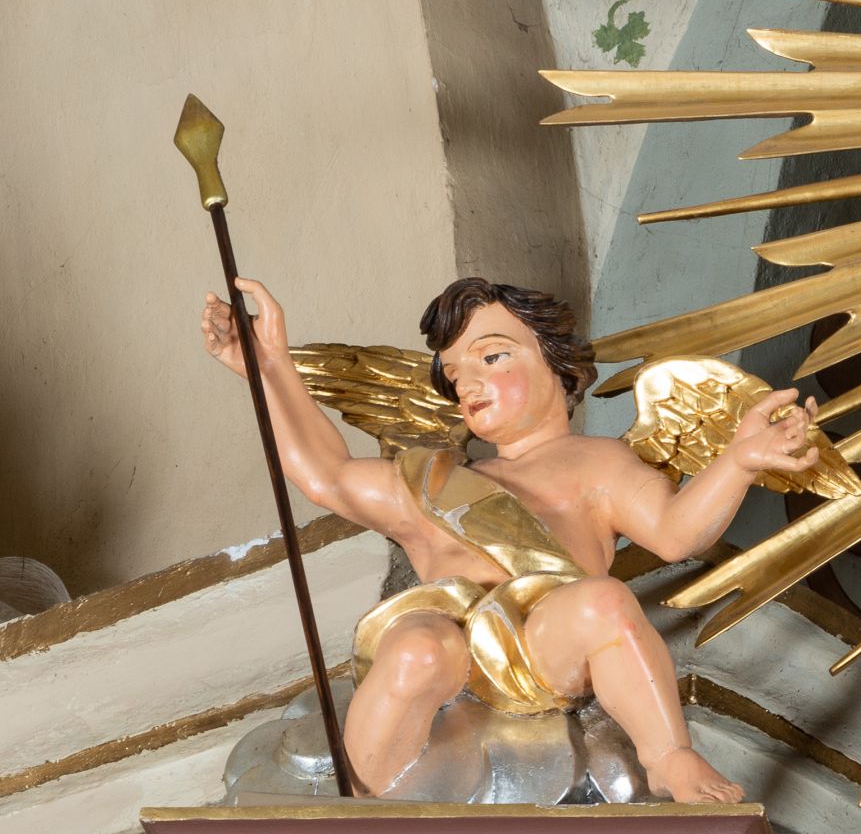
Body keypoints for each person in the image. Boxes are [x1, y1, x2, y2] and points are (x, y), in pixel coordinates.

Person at [201, 275, 817, 801]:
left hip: (541, 647)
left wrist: (738, 462)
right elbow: (326, 476)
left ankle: (669, 758)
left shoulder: (598, 465)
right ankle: (362, 799)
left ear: (556, 363)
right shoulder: (432, 480)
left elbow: (676, 534)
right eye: (454, 373)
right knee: (416, 647)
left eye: (492, 358)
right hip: (446, 642)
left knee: (604, 602)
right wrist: (268, 367)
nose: (468, 384)